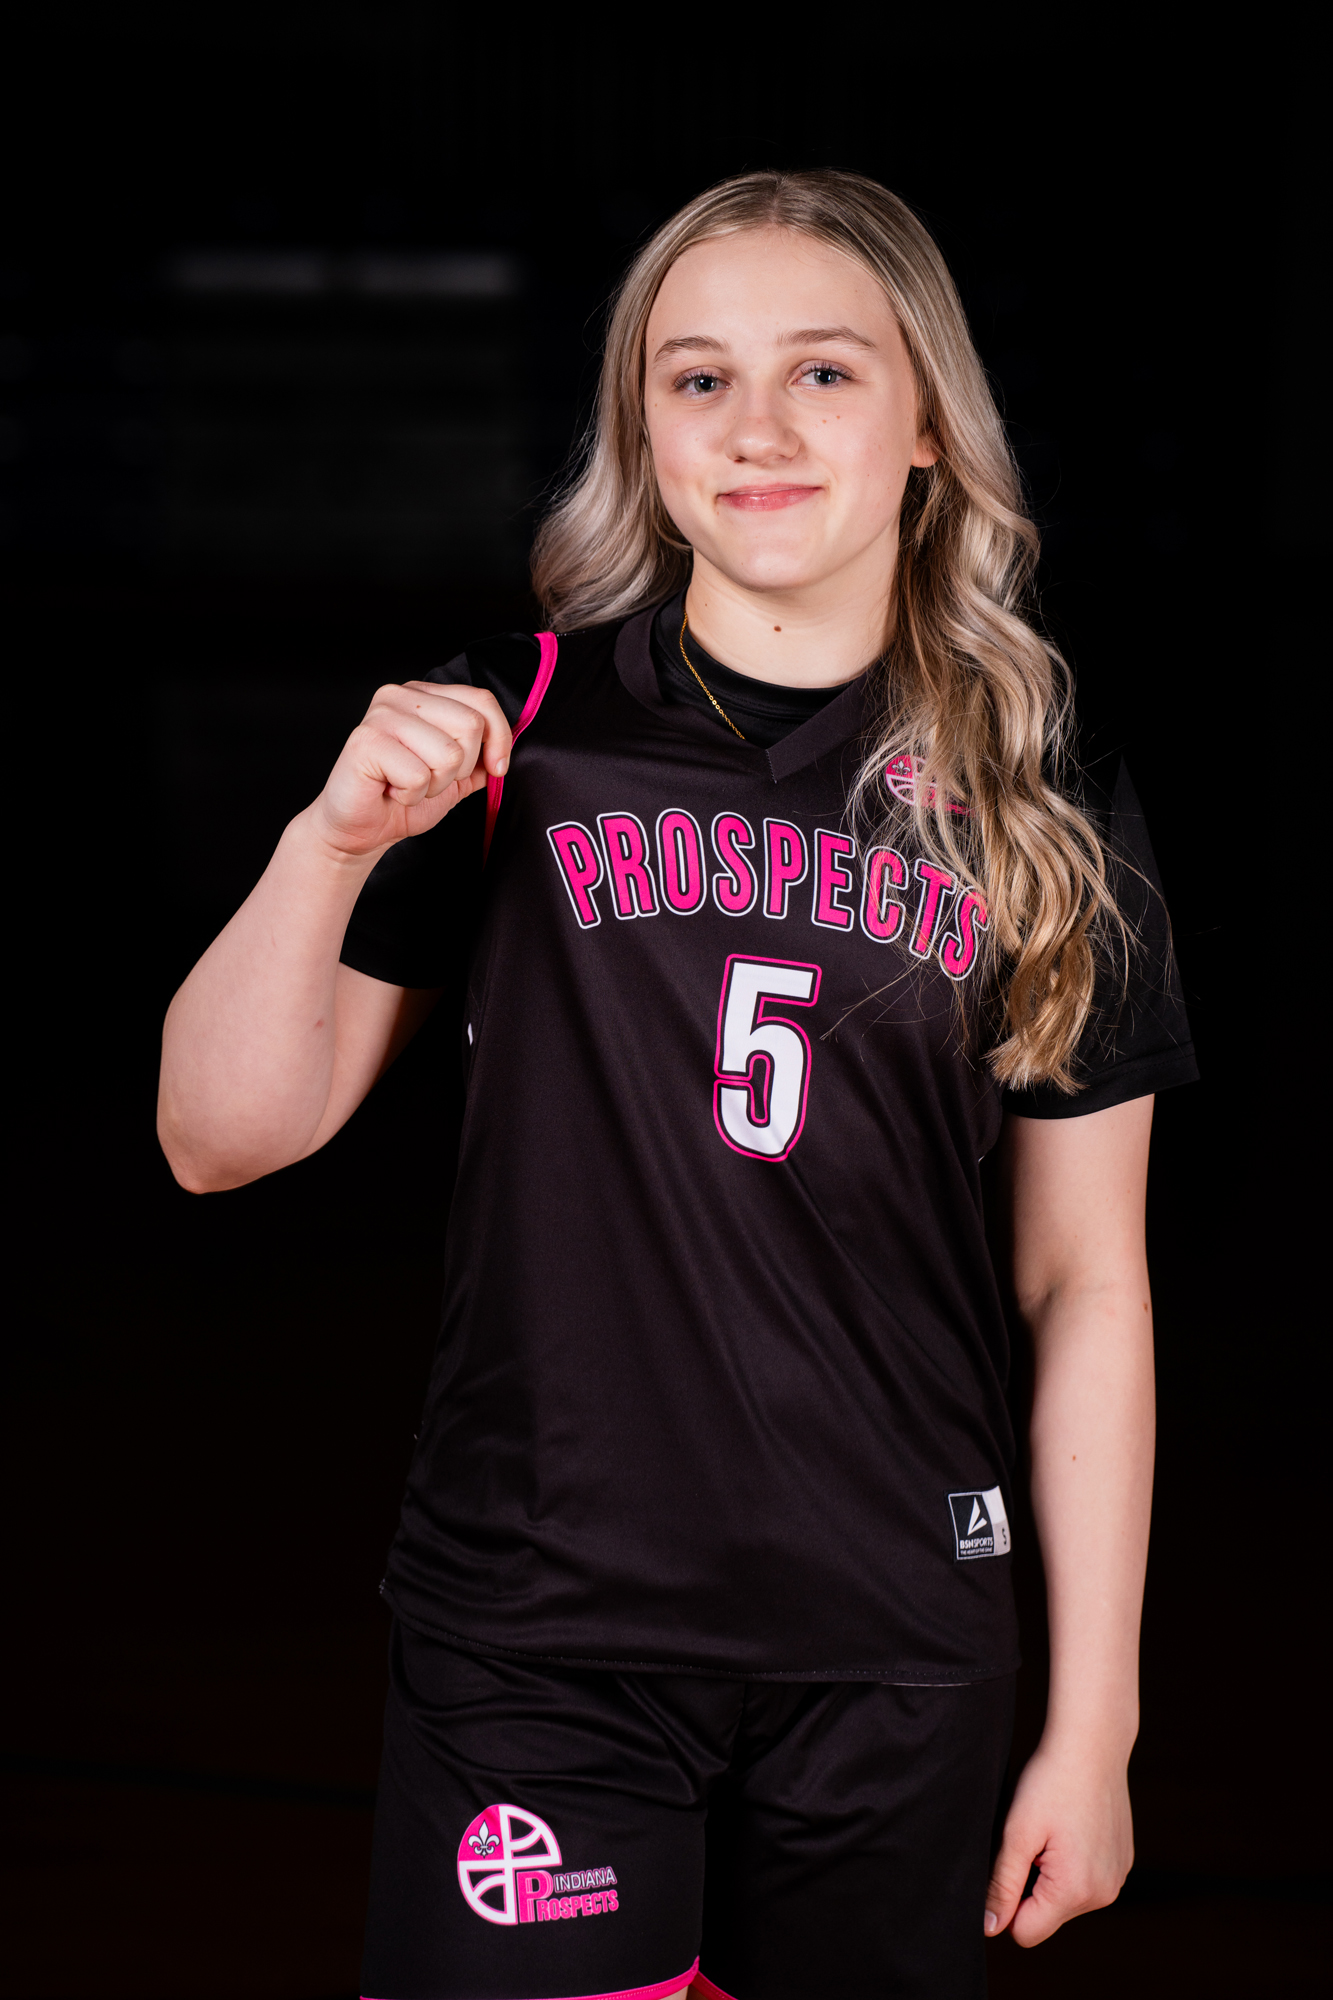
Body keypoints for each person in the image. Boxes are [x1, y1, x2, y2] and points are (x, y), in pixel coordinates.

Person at [157, 170, 1196, 2000]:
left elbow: (1083, 1281)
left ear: (929, 426)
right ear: (642, 430)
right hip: (538, 1619)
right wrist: (324, 845)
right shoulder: (509, 729)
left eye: (823, 372)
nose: (756, 427)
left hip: (893, 1630)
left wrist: (1093, 1722)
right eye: (697, 378)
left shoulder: (1039, 797)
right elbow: (218, 1140)